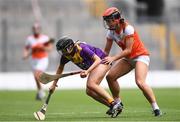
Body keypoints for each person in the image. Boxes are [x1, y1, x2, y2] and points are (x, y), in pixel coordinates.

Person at [102, 7, 162, 116]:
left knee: (140, 82)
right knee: (110, 77)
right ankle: (118, 102)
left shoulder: (128, 29)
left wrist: (113, 58)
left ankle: (156, 108)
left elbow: (128, 50)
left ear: (116, 19)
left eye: (109, 21)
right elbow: (105, 52)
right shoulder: (110, 33)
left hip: (140, 56)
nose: (108, 23)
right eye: (106, 21)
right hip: (128, 59)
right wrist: (97, 61)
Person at [49, 36, 122, 117]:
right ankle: (112, 106)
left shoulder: (82, 48)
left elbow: (97, 60)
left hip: (103, 61)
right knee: (89, 92)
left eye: (63, 49)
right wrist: (53, 84)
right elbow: (60, 68)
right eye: (61, 50)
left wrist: (87, 71)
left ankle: (114, 103)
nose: (62, 52)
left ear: (69, 47)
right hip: (95, 66)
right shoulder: (66, 56)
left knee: (91, 84)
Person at [23, 23, 54, 100]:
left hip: (42, 59)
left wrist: (42, 47)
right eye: (34, 28)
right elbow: (26, 48)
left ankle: (41, 93)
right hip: (33, 60)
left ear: (40, 29)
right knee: (35, 76)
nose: (35, 30)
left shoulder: (45, 38)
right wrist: (25, 54)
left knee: (36, 74)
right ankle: (40, 92)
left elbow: (50, 49)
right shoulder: (29, 39)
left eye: (37, 28)